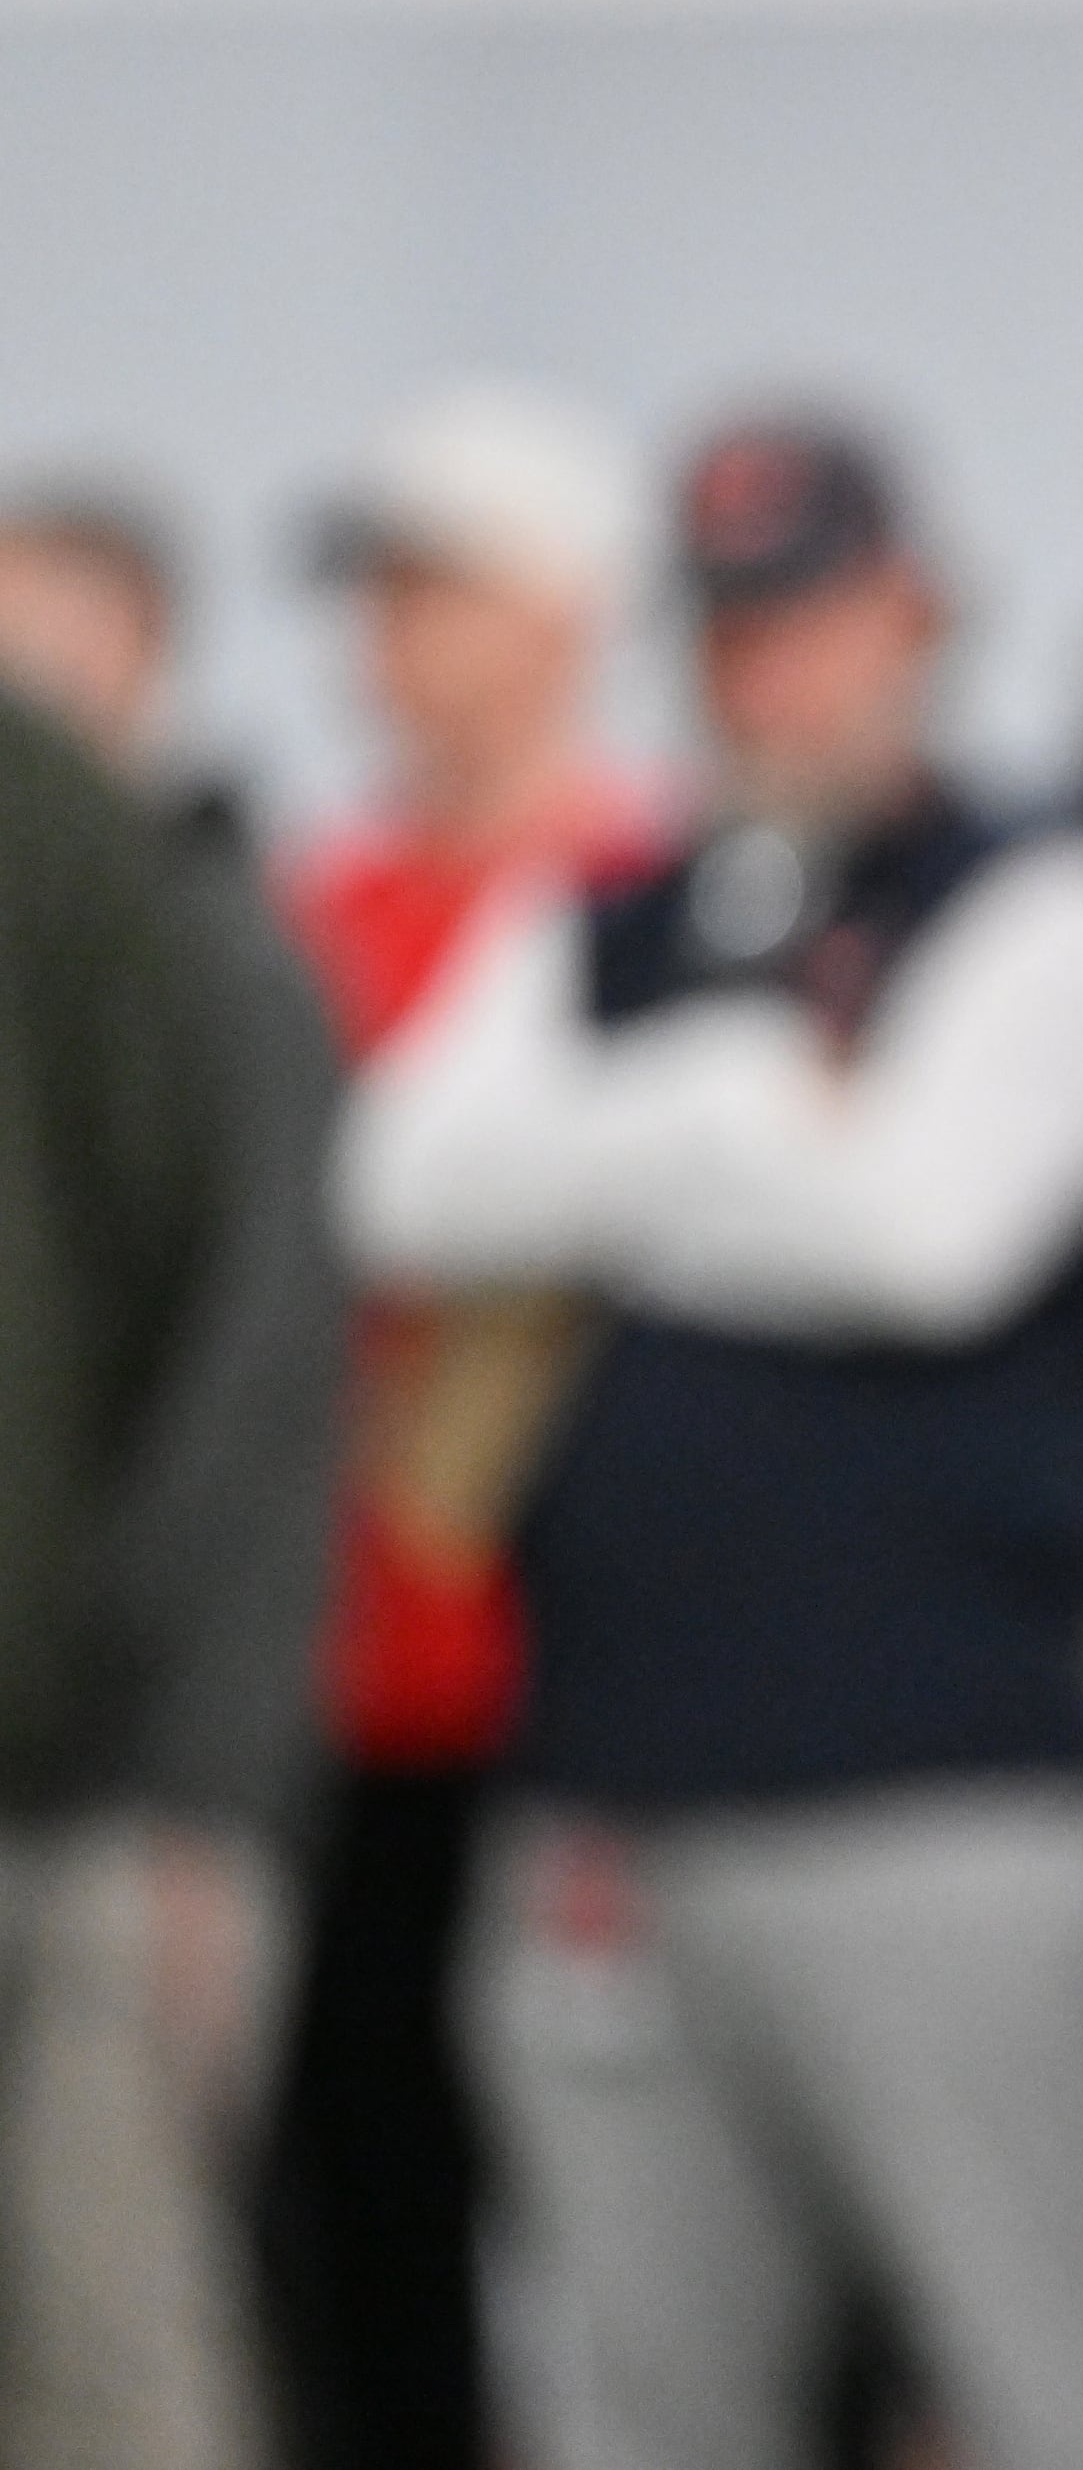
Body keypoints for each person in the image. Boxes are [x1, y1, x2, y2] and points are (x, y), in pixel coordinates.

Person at [338, 419, 1083, 2470]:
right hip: (612, 1805)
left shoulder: (1052, 888)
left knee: (1066, 2384)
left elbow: (926, 1238)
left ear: (915, 610)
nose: (770, 678)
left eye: (812, 619)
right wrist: (744, 1103)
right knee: (644, 2407)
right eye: (732, 629)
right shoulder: (611, 914)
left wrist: (609, 1161)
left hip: (945, 1795)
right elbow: (396, 1183)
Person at [259, 381, 665, 2470]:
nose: (382, 645)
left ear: (558, 614)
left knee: (656, 2256)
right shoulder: (307, 917)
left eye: (432, 591)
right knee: (364, 2241)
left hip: (605, 1689)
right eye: (379, 596)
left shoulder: (657, 895)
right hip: (354, 1692)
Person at [0, 499, 344, 2470]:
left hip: (137, 1799)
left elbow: (257, 1397)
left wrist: (204, 1796)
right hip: (34, 1771)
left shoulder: (212, 955)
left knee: (118, 2343)